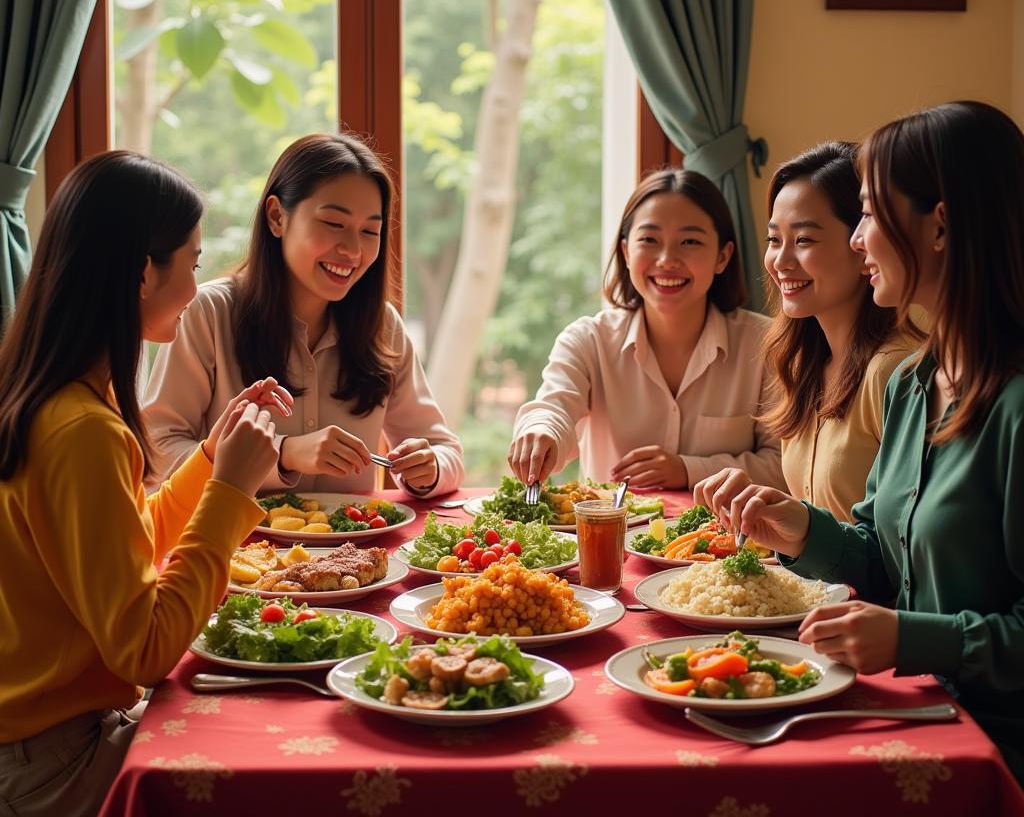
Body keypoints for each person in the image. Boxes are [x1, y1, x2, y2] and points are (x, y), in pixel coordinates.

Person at [695, 102, 1024, 782]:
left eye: (870, 214)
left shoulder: (1015, 407)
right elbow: (879, 560)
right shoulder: (916, 384)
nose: (856, 240)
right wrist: (799, 527)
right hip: (915, 710)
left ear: (940, 225)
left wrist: (912, 637)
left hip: (991, 748)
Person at [0, 152, 289, 816]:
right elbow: (145, 650)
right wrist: (233, 494)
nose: (195, 285)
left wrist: (214, 456)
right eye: (189, 261)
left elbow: (123, 553)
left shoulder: (53, 399)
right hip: (54, 763)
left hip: (39, 746)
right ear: (141, 273)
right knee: (267, 770)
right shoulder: (82, 432)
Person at [145, 132, 464, 499]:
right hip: (236, 550)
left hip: (352, 555)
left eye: (369, 231)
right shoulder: (209, 313)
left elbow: (446, 451)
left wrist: (430, 467)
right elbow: (158, 454)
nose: (352, 250)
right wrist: (284, 453)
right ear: (277, 217)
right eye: (333, 224)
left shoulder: (382, 325)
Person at [508, 168, 782, 490]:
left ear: (722, 256)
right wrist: (541, 430)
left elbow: (784, 466)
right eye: (649, 240)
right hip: (609, 538)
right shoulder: (587, 341)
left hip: (724, 540)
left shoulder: (767, 344)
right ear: (626, 252)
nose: (667, 260)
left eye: (690, 241)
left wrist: (689, 470)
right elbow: (553, 408)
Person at [713, 142, 921, 524]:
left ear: (862, 246)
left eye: (804, 239)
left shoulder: (895, 371)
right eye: (775, 240)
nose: (781, 261)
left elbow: (897, 544)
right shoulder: (804, 364)